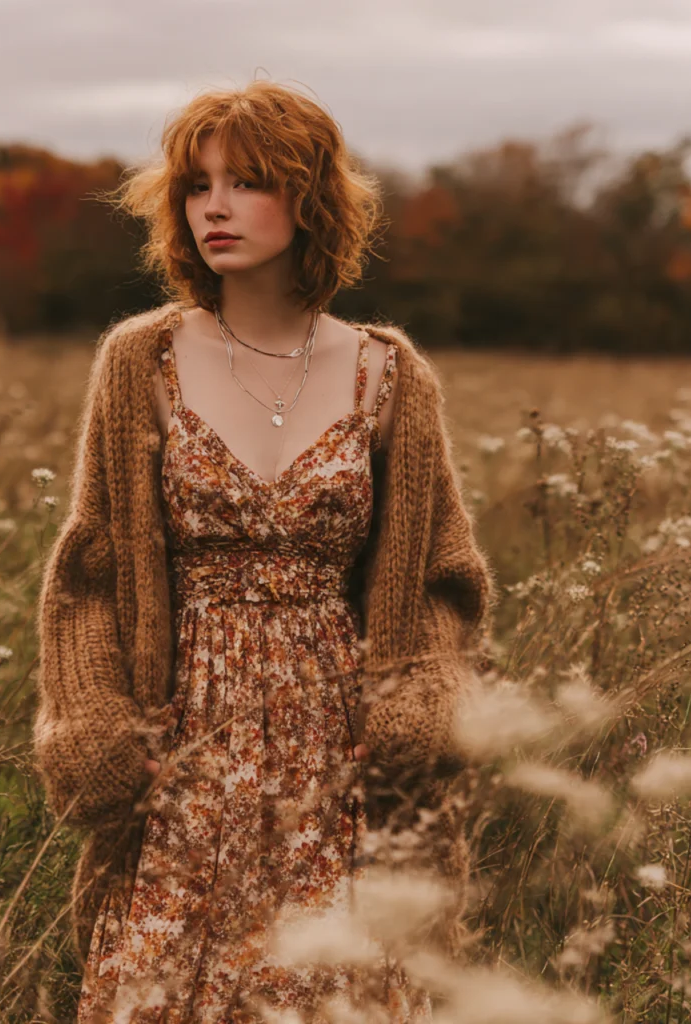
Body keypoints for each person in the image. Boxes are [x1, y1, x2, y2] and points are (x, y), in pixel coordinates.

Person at [33, 79, 496, 1022]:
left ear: (310, 197)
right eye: (197, 185)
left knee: (345, 984)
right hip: (184, 745)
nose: (215, 206)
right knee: (160, 987)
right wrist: (98, 727)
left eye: (246, 181)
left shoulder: (387, 373)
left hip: (340, 749)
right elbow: (90, 572)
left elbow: (442, 577)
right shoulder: (141, 362)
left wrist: (418, 705)